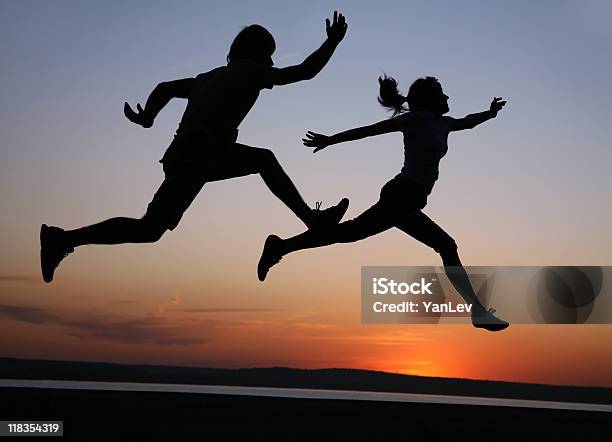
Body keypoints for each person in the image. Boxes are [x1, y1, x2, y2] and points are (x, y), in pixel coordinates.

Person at [40, 12, 350, 283]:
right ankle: (311, 220)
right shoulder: (251, 71)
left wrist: (149, 117)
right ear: (257, 54)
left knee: (150, 229)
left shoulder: (207, 77)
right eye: (269, 54)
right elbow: (304, 71)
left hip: (187, 155)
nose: (271, 61)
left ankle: (64, 238)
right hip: (203, 154)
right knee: (261, 162)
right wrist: (332, 42)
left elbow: (166, 88)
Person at [258, 75, 509, 331]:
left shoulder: (443, 124)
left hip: (408, 199)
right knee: (445, 245)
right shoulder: (412, 120)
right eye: (442, 93)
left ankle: (281, 246)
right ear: (429, 99)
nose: (448, 97)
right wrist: (330, 139)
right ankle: (477, 311)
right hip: (401, 196)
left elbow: (468, 122)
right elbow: (369, 131)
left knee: (349, 233)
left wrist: (489, 113)